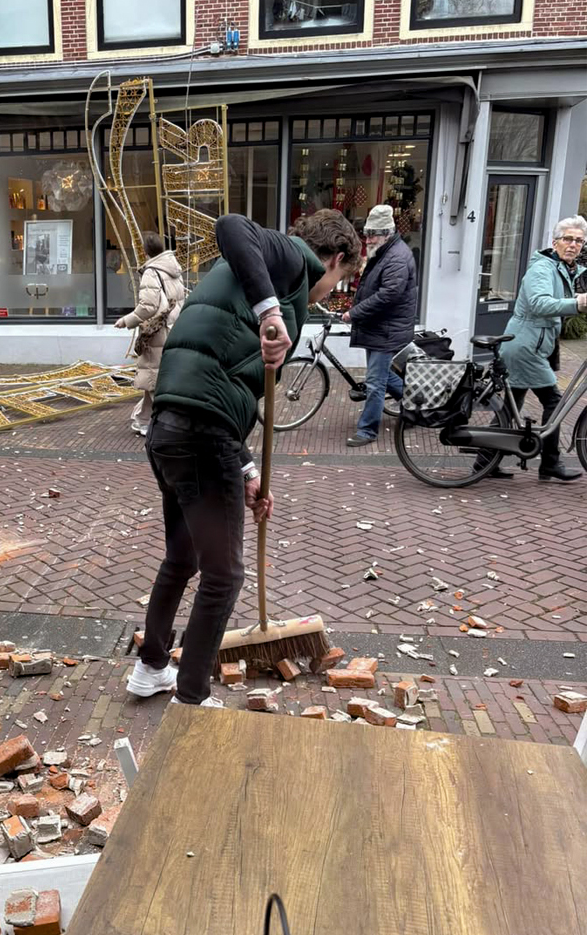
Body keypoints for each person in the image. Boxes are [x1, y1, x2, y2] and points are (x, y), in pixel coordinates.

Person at [127, 211, 362, 706]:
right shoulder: (289, 257)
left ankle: (151, 668)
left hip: (172, 429)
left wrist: (248, 469)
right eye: (340, 279)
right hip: (200, 436)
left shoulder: (258, 271)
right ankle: (191, 695)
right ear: (336, 259)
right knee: (225, 574)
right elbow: (232, 224)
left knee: (183, 557)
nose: (331, 291)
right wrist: (271, 312)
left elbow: (215, 383)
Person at [497, 216, 587, 481]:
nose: (573, 245)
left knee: (510, 407)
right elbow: (539, 304)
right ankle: (550, 463)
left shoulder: (563, 268)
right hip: (526, 346)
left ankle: (484, 463)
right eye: (567, 239)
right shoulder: (543, 269)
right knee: (554, 402)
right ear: (555, 241)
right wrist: (577, 303)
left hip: (531, 343)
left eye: (578, 240)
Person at [344, 204, 418, 447]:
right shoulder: (386, 252)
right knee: (383, 375)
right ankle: (416, 404)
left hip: (386, 330)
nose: (368, 239)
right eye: (367, 233)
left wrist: (354, 313)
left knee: (375, 383)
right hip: (380, 328)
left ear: (386, 233)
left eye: (372, 234)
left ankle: (367, 431)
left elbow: (388, 296)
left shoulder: (396, 257)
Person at [113, 231, 186, 437]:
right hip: (172, 328)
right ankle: (143, 420)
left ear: (144, 251)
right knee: (152, 375)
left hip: (157, 332)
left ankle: (169, 423)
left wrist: (126, 321)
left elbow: (147, 307)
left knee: (154, 377)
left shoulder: (151, 272)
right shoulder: (173, 269)